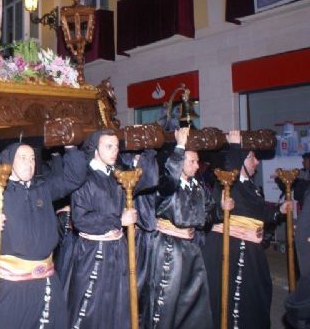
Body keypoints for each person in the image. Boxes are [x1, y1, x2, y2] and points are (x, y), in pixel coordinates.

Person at [0, 142, 86, 328]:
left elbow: (75, 178)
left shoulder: (43, 188)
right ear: (9, 162)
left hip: (46, 280)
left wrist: (70, 148)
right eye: (22, 158)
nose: (29, 163)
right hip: (11, 285)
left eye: (32, 159)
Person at [140, 127, 232, 329]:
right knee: (166, 301)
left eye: (197, 161)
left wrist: (221, 209)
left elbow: (209, 214)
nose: (197, 166)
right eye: (192, 161)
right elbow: (170, 179)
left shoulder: (198, 187)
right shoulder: (165, 187)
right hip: (169, 251)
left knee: (191, 301)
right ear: (179, 162)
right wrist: (180, 146)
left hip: (192, 250)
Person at [65, 129, 157, 329]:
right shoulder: (84, 178)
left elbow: (149, 181)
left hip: (117, 250)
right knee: (91, 308)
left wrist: (149, 149)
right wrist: (118, 220)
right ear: (95, 149)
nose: (115, 151)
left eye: (116, 146)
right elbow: (81, 220)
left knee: (118, 306)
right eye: (109, 146)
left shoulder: (117, 175)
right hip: (92, 253)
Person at [203, 130, 293, 329]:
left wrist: (279, 210)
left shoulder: (250, 187)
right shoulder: (227, 183)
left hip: (252, 253)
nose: (257, 162)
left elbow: (260, 212)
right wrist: (235, 146)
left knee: (258, 296)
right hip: (233, 252)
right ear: (242, 159)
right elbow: (229, 171)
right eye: (253, 157)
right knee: (237, 303)